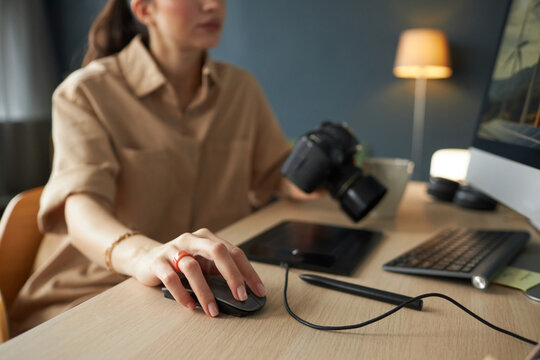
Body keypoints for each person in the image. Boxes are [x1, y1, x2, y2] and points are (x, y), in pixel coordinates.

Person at [9, 0, 322, 335]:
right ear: (145, 10)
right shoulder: (86, 92)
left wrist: (316, 173)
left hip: (193, 293)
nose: (213, 5)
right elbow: (81, 209)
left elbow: (275, 176)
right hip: (89, 295)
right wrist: (148, 255)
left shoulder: (241, 89)